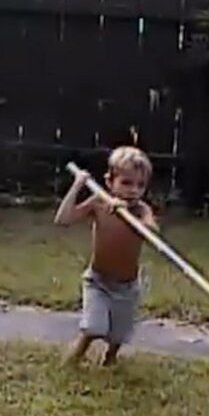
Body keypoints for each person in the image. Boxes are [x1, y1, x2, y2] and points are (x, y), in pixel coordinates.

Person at [53, 146, 158, 366]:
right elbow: (63, 219)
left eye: (140, 185)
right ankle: (74, 358)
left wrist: (128, 214)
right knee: (93, 327)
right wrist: (78, 184)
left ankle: (110, 358)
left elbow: (151, 232)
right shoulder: (98, 203)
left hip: (127, 287)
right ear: (110, 182)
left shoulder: (141, 210)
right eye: (126, 183)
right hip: (98, 281)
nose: (133, 190)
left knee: (119, 335)